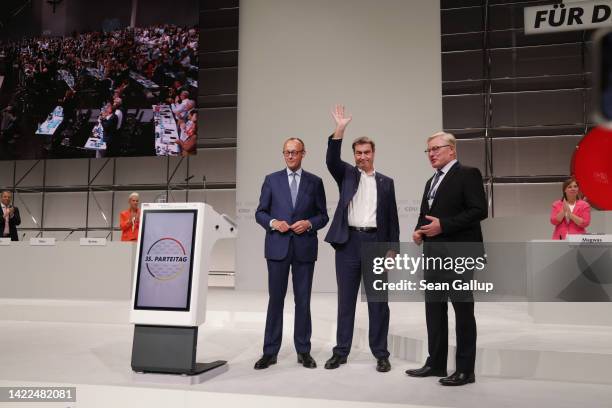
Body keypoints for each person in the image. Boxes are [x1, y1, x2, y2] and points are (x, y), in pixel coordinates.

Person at [407, 131, 487, 386]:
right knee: (434, 310)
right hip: (433, 254)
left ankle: (465, 369)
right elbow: (425, 215)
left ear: (452, 150)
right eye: (428, 150)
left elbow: (479, 210)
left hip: (460, 253)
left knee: (463, 312)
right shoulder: (430, 181)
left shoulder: (468, 173)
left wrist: (444, 226)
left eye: (436, 148)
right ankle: (436, 363)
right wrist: (419, 231)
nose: (431, 153)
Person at [323, 105, 399, 373]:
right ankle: (340, 352)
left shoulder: (386, 182)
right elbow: (331, 159)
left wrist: (392, 250)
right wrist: (340, 128)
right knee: (346, 301)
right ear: (354, 155)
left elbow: (392, 219)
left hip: (376, 244)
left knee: (379, 302)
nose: (362, 156)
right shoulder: (346, 174)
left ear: (373, 153)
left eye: (367, 152)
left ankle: (380, 353)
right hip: (348, 244)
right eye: (358, 153)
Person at [253, 138, 329, 370]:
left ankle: (303, 351)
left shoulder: (315, 182)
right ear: (283, 154)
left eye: (295, 152)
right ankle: (270, 352)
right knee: (275, 300)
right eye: (287, 152)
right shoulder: (271, 180)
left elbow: (323, 216)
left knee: (302, 301)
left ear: (303, 153)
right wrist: (274, 222)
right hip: (277, 248)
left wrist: (308, 223)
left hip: (304, 248)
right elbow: (260, 213)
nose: (291, 156)